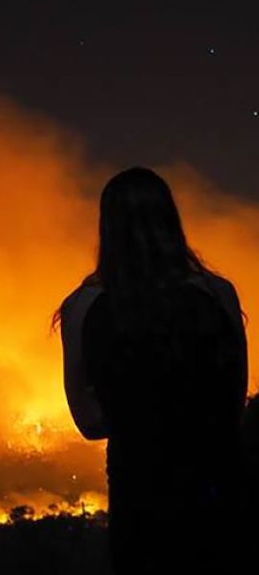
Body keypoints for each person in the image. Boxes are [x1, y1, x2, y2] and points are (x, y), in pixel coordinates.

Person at [55, 167, 248, 574]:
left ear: (107, 228)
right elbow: (234, 406)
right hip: (220, 497)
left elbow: (89, 422)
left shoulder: (83, 308)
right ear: (170, 221)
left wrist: (139, 412)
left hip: (140, 499)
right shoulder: (218, 295)